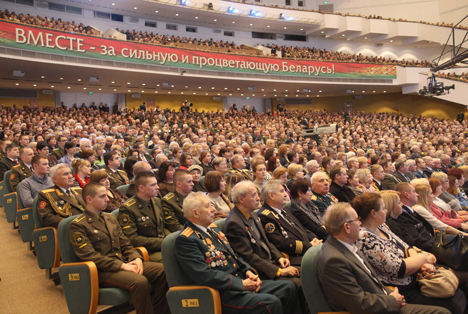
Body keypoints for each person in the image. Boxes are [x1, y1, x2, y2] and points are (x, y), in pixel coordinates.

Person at [175, 192, 301, 314]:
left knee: (288, 288)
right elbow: (204, 276)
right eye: (208, 206)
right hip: (224, 294)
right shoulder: (187, 240)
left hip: (241, 283)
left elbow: (234, 255)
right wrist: (241, 284)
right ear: (195, 213)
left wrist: (248, 271)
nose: (213, 209)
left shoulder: (212, 228)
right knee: (270, 303)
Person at [318, 202, 451, 314]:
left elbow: (371, 280)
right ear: (347, 227)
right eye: (356, 220)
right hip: (379, 308)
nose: (360, 223)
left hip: (385, 297)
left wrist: (392, 294)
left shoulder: (347, 245)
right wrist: (392, 300)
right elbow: (358, 303)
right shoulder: (334, 260)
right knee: (443, 312)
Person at [353, 193, 466, 314]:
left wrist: (419, 261)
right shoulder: (364, 238)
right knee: (453, 304)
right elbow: (400, 268)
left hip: (416, 276)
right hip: (400, 289)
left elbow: (406, 247)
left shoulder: (382, 226)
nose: (386, 211)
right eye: (383, 208)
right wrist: (423, 258)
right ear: (373, 213)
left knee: (457, 293)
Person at [70, 183, 170, 314]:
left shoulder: (110, 217)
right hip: (103, 270)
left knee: (164, 271)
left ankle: (159, 311)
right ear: (89, 199)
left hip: (123, 262)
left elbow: (125, 243)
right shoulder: (78, 225)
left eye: (106, 195)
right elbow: (90, 256)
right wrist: (122, 266)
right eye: (102, 196)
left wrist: (136, 258)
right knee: (139, 282)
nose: (107, 199)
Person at [224, 181, 308, 313]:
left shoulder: (252, 214)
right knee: (298, 284)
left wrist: (279, 257)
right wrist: (278, 271)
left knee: (309, 274)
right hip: (262, 271)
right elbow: (248, 256)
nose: (258, 198)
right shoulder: (234, 223)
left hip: (273, 263)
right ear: (241, 199)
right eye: (254, 195)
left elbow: (266, 241)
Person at [258, 180, 322, 266]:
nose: (286, 194)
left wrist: (314, 239)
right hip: (295, 257)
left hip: (307, 249)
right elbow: (281, 243)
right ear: (271, 195)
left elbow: (302, 228)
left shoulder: (284, 210)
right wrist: (308, 245)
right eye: (281, 191)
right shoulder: (265, 216)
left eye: (284, 191)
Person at [119, 171, 171, 262]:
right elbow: (133, 239)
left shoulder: (156, 201)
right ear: (141, 188)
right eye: (153, 185)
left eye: (156, 184)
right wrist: (163, 243)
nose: (157, 187)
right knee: (176, 261)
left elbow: (163, 227)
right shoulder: (128, 208)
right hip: (148, 251)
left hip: (163, 245)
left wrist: (171, 240)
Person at [386, 183, 434, 252]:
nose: (417, 194)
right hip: (426, 248)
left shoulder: (408, 211)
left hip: (428, 244)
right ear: (407, 195)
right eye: (414, 191)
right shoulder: (400, 217)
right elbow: (415, 241)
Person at [37, 163, 86, 228]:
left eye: (70, 173)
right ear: (55, 179)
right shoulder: (47, 195)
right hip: (73, 227)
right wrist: (68, 223)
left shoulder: (79, 190)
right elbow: (46, 217)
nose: (70, 176)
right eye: (65, 174)